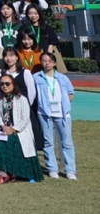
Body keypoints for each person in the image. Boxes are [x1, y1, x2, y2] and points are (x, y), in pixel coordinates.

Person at [0, 74, 43, 184]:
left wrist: (13, 130)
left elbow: (25, 118)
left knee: (8, 142)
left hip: (19, 131)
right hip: (5, 130)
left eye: (7, 83)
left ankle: (4, 174)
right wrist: (3, 126)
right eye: (2, 84)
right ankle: (3, 171)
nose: (5, 86)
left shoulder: (22, 99)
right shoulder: (1, 100)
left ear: (13, 84)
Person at [33, 52, 76, 180]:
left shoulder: (63, 78)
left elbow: (71, 94)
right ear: (41, 62)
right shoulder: (36, 77)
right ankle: (52, 168)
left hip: (62, 114)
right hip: (44, 114)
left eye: (50, 61)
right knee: (48, 142)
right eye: (44, 61)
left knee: (67, 142)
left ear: (54, 63)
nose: (47, 63)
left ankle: (70, 170)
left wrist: (63, 104)